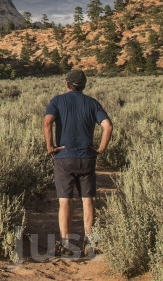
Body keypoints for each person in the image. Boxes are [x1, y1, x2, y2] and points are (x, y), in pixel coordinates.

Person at [43, 68, 112, 257]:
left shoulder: (57, 101)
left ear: (67, 84)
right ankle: (90, 242)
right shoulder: (92, 103)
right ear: (84, 85)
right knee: (88, 200)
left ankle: (66, 243)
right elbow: (108, 126)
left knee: (65, 201)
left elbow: (47, 122)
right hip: (87, 157)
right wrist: (101, 149)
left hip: (64, 157)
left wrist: (50, 146)